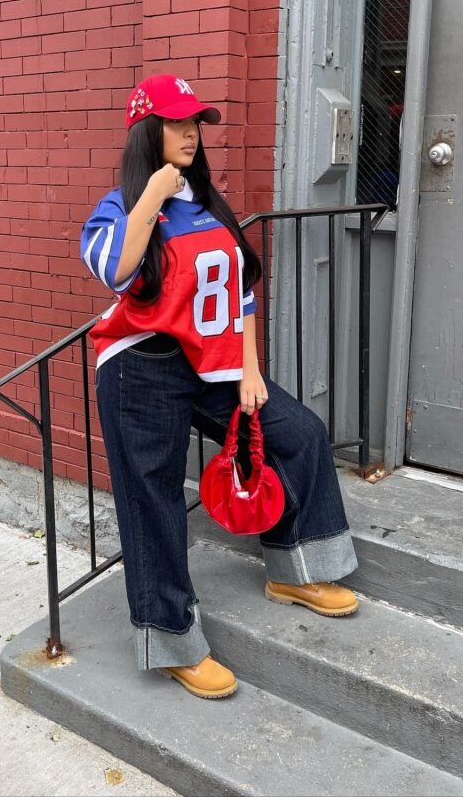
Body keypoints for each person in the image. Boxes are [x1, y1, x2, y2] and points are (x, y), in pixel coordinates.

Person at [80, 74, 359, 700]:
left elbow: (243, 291)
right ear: (146, 131)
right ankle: (172, 637)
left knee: (299, 434)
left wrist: (252, 369)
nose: (190, 134)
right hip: (141, 367)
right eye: (177, 123)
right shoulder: (117, 209)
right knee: (152, 500)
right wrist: (151, 192)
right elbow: (116, 272)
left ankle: (300, 569)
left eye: (195, 124)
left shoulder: (210, 202)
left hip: (216, 364)